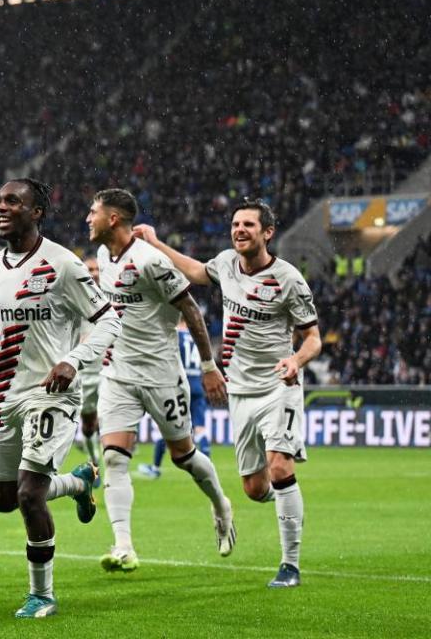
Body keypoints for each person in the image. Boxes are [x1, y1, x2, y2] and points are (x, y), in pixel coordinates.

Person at [0, 179, 121, 619]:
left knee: (29, 494)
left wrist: (74, 361)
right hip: (5, 395)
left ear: (37, 211)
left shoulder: (63, 264)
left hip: (51, 395)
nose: (0, 208)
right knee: (3, 498)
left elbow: (108, 321)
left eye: (13, 202)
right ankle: (80, 482)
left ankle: (42, 594)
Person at [134, 200, 322, 588]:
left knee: (281, 468)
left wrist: (296, 362)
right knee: (254, 489)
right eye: (235, 224)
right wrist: (155, 243)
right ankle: (290, 506)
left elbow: (313, 339)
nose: (239, 230)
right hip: (240, 391)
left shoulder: (288, 279)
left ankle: (290, 565)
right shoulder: (225, 264)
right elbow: (193, 270)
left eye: (249, 225)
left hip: (278, 386)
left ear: (267, 233)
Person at [87, 188, 234, 574]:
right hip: (117, 374)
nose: (88, 218)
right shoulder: (103, 256)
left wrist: (208, 366)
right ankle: (123, 545)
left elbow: (192, 311)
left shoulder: (151, 261)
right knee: (115, 457)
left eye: (94, 212)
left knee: (183, 457)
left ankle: (220, 504)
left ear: (114, 219)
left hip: (161, 375)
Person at [138, 316, 212, 479]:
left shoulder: (175, 334)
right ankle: (208, 467)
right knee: (200, 428)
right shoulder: (195, 336)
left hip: (180, 385)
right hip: (198, 385)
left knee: (167, 427)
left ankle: (155, 468)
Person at [75, 256, 104, 469]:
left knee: (108, 417)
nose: (94, 272)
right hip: (84, 372)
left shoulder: (112, 297)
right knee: (88, 421)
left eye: (97, 269)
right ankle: (93, 461)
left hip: (108, 369)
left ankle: (113, 463)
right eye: (90, 269)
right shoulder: (74, 299)